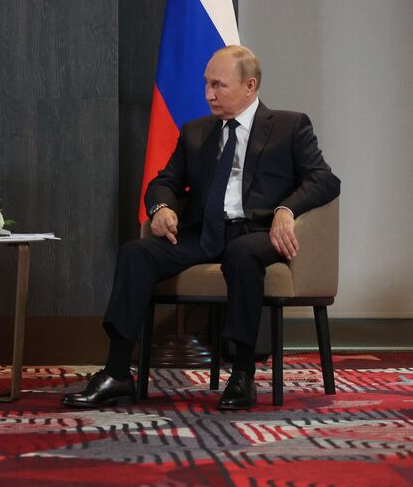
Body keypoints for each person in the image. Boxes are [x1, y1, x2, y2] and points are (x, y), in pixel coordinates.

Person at [62, 45, 341, 410]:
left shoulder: (290, 126)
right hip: (203, 233)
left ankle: (242, 375)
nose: (208, 94)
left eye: (218, 85)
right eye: (206, 84)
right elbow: (165, 182)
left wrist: (287, 209)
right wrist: (161, 207)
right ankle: (116, 373)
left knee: (241, 255)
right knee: (136, 252)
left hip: (256, 233)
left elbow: (325, 180)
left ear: (250, 85)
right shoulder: (196, 132)